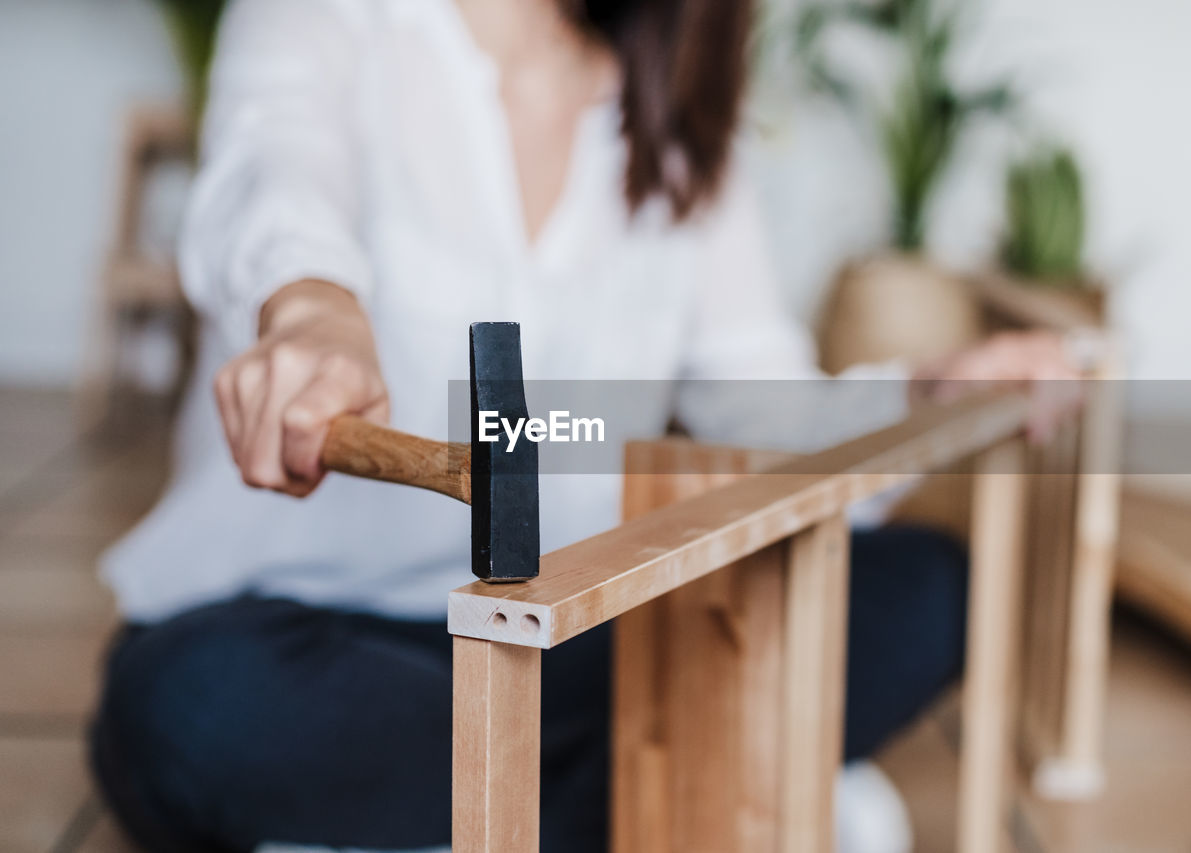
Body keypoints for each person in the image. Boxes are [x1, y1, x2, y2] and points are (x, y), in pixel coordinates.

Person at [90, 0, 1080, 850]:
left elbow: (759, 407)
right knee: (193, 707)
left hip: (575, 632)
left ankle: (460, 822)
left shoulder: (675, 107)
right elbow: (274, 171)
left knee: (926, 590)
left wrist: (921, 396)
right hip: (307, 635)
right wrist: (311, 307)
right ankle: (710, 798)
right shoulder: (330, 18)